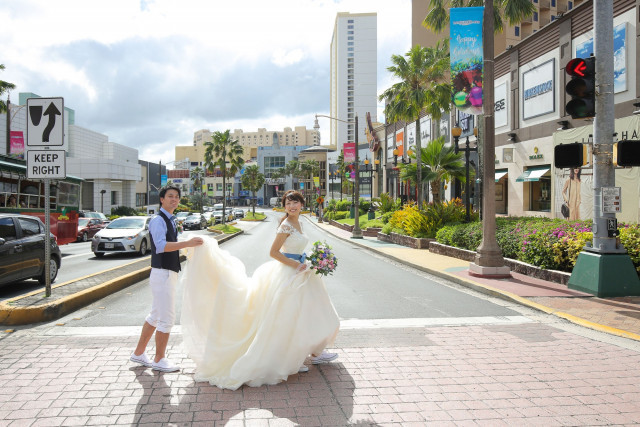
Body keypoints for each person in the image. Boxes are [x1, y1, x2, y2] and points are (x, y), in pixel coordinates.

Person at [181, 190, 340, 390]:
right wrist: (295, 265)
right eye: (289, 203)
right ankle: (292, 359)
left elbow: (297, 248)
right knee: (286, 317)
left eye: (296, 203)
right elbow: (273, 252)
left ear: (301, 204)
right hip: (289, 273)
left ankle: (306, 354)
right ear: (285, 207)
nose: (292, 206)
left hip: (302, 271)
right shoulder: (285, 225)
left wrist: (310, 260)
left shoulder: (300, 222)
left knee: (304, 314)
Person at [130, 185, 203, 372]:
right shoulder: (158, 220)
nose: (174, 199)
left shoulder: (171, 220)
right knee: (166, 318)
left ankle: (138, 353)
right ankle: (159, 359)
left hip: (167, 273)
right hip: (162, 273)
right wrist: (186, 243)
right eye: (170, 196)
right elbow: (161, 246)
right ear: (161, 199)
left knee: (155, 315)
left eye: (177, 197)